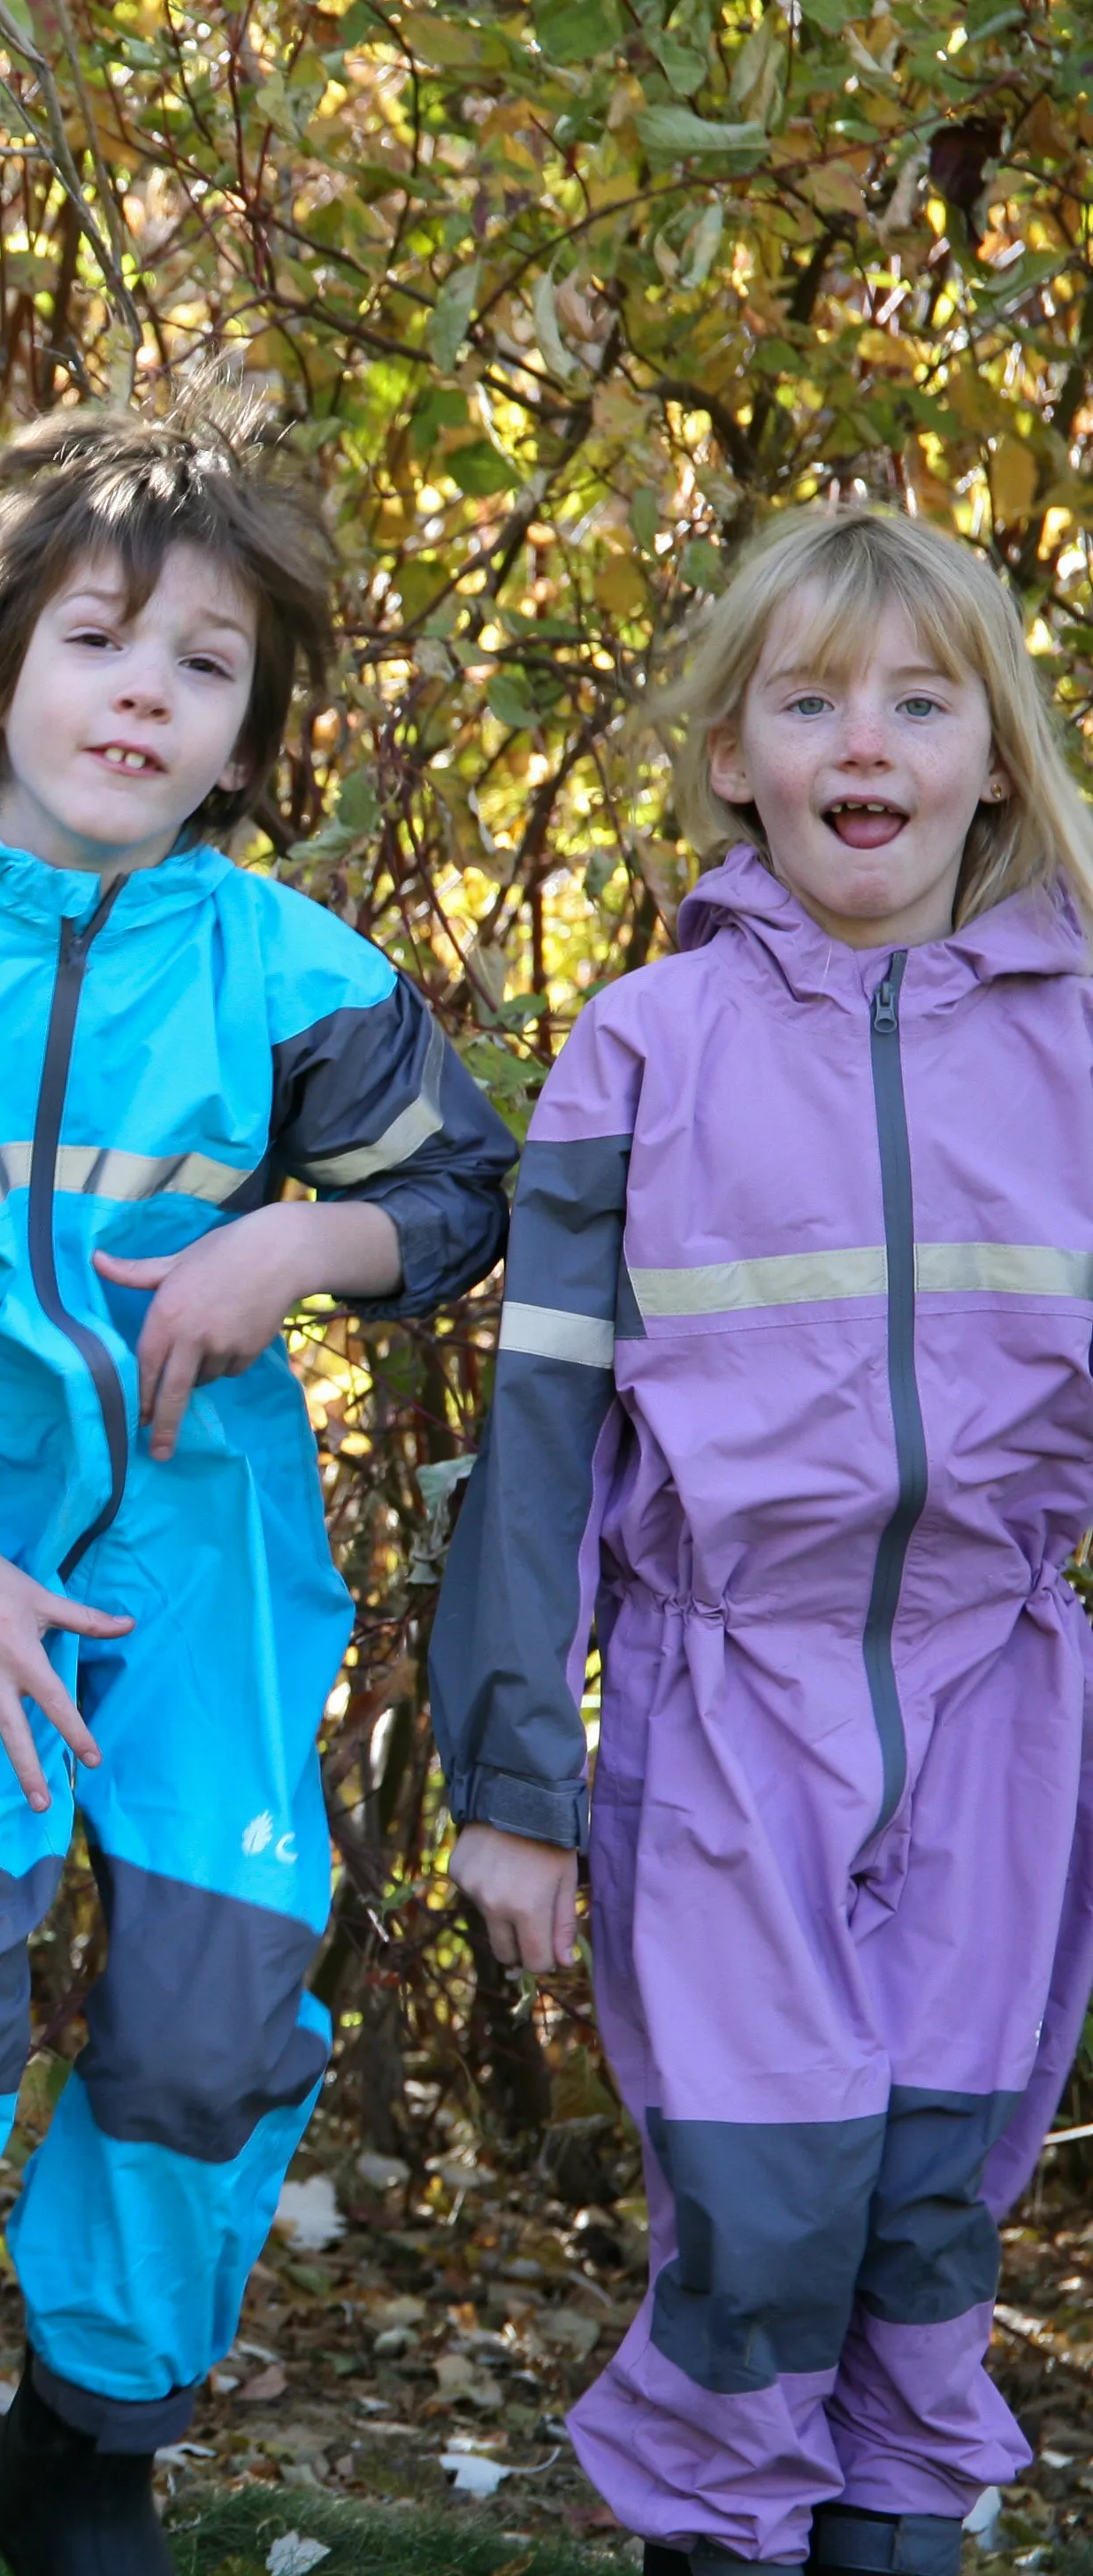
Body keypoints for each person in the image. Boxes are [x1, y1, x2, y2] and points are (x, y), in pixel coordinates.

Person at [0, 390, 516, 2575]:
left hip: (207, 1560)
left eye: (203, 667)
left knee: (214, 2008)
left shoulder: (283, 971)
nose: (142, 692)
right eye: (96, 639)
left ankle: (88, 2441)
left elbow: (462, 1192)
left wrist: (297, 1240)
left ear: (249, 739)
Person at [431, 503, 1093, 2575]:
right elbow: (535, 1446)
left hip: (1002, 1701)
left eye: (919, 700)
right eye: (811, 703)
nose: (864, 742)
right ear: (735, 755)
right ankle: (716, 2539)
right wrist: (514, 1782)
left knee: (923, 2210)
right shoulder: (648, 1049)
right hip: (733, 1714)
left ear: (995, 753)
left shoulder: (1079, 1047)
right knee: (769, 2206)